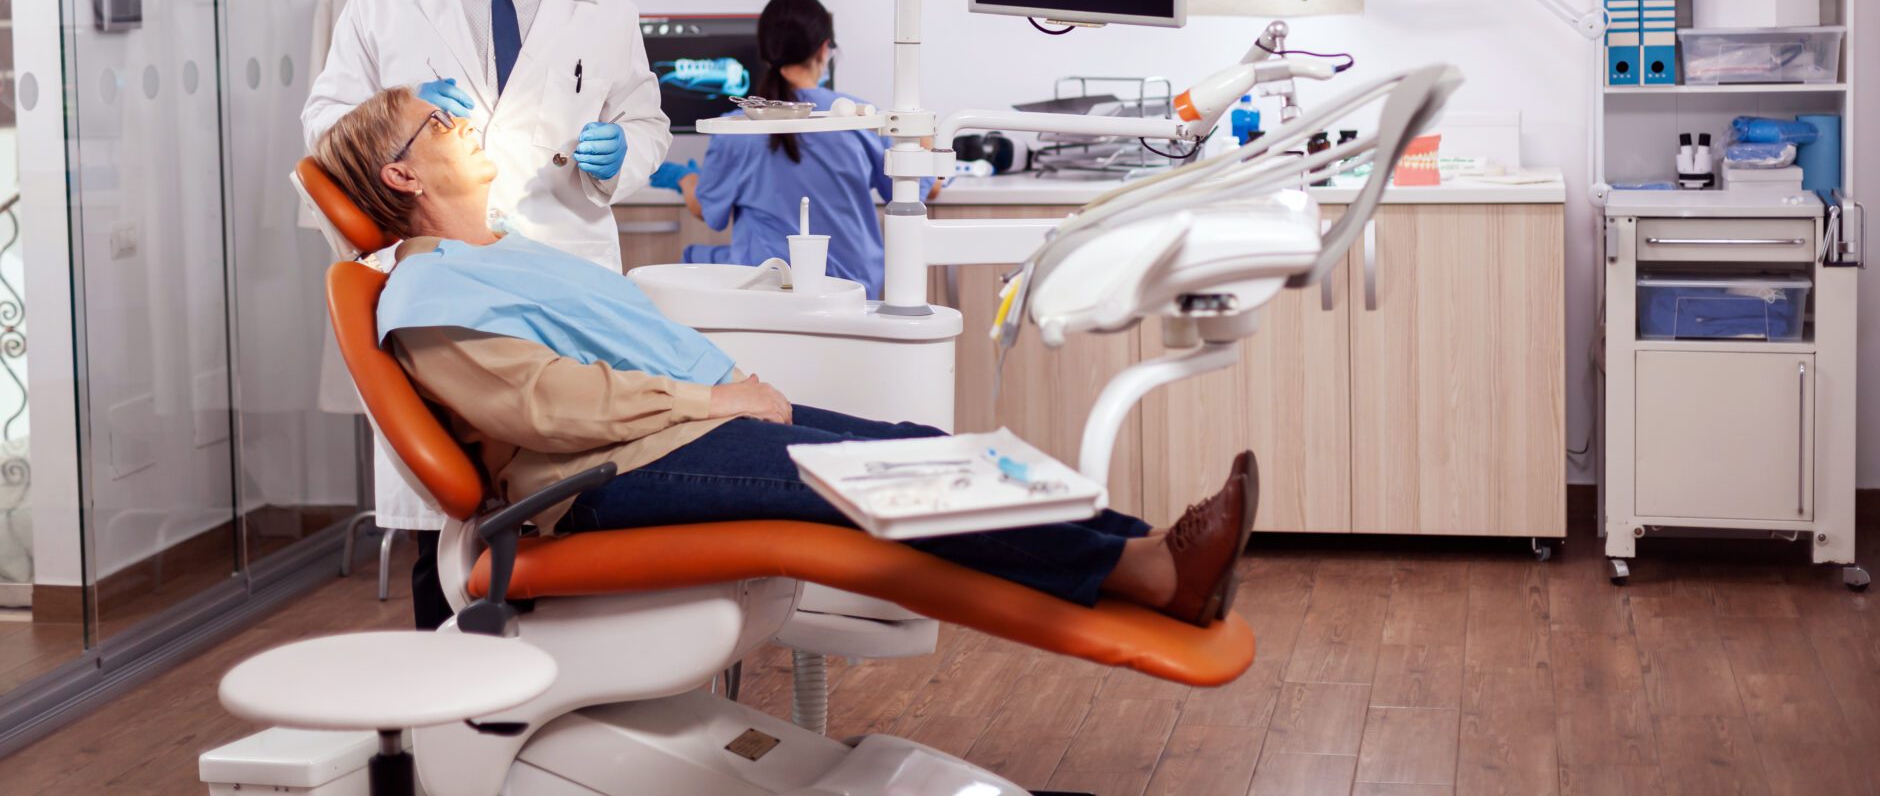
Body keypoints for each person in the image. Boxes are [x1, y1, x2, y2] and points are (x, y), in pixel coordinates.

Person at [313, 87, 1260, 627]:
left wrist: (718, 394)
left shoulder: (506, 253)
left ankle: (1139, 544)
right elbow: (546, 411)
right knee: (883, 482)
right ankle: (1148, 577)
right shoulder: (424, 293)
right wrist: (713, 405)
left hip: (667, 433)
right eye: (437, 125)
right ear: (401, 174)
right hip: (603, 477)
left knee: (914, 447)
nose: (459, 120)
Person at [302, 0, 671, 629]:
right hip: (442, 285)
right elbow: (324, 127)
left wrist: (624, 156)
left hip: (560, 276)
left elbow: (647, 124)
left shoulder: (602, 10)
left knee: (572, 507)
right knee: (455, 516)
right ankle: (457, 709)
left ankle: (570, 706)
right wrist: (390, 111)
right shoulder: (384, 3)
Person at [651, 0, 930, 300]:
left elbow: (706, 210)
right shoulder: (862, 120)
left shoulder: (735, 129)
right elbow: (918, 188)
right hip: (853, 291)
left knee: (692, 262)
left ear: (766, 53)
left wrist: (684, 179)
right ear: (825, 49)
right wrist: (923, 136)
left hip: (770, 292)